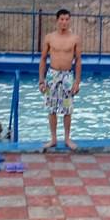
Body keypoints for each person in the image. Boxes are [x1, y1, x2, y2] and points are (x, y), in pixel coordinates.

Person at [39, 8, 81, 150]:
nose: (64, 22)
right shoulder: (49, 38)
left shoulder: (75, 39)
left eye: (67, 19)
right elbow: (43, 59)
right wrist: (41, 80)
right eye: (62, 19)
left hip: (67, 76)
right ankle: (53, 139)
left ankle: (67, 139)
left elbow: (78, 61)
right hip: (52, 75)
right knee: (51, 109)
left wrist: (77, 82)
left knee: (67, 109)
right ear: (57, 20)